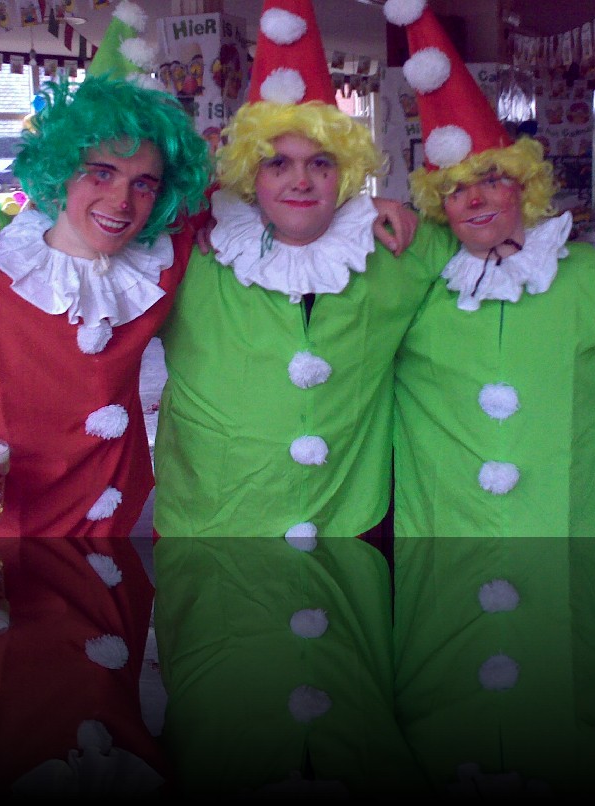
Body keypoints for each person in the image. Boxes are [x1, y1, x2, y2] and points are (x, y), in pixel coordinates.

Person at [150, 0, 456, 798]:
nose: (299, 179)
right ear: (249, 174)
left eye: (320, 162)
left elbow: (500, 238)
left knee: (355, 738)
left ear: (345, 173)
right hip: (215, 548)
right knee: (223, 740)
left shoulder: (394, 248)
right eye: (278, 163)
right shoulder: (192, 251)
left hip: (350, 552)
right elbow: (80, 251)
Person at [0, 5, 213, 789]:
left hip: (105, 568)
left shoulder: (157, 266)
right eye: (101, 172)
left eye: (143, 182)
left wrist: (381, 209)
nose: (123, 200)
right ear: (59, 171)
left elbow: (273, 200)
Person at [384, 0, 595, 798]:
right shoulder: (411, 282)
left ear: (525, 182)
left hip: (576, 550)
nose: (476, 199)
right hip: (444, 556)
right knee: (443, 716)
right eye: (456, 188)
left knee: (569, 714)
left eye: (493, 177)